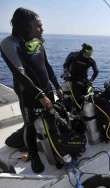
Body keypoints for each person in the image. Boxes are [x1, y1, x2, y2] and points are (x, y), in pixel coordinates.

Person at [0, 8, 63, 173]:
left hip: (47, 89)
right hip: (28, 93)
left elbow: (46, 66)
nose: (42, 30)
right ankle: (33, 154)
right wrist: (40, 95)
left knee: (51, 119)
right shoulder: (10, 43)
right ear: (25, 26)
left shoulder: (37, 41)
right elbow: (19, 73)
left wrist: (57, 86)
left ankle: (56, 148)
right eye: (39, 26)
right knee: (30, 124)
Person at [63, 43, 98, 109]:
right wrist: (66, 72)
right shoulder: (74, 55)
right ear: (83, 51)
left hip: (83, 79)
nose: (89, 55)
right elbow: (65, 65)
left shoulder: (91, 60)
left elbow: (96, 72)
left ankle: (86, 109)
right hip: (72, 78)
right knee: (77, 97)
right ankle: (75, 109)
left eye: (90, 54)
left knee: (89, 95)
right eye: (88, 54)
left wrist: (91, 80)